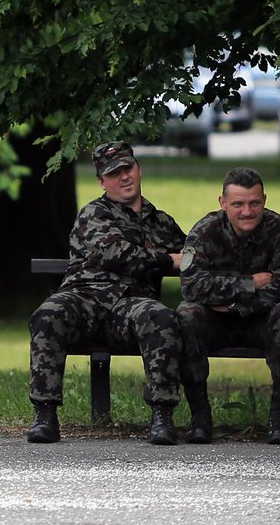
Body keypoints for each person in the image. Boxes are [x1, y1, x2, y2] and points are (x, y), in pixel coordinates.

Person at [28, 141, 186, 445]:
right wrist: (166, 260)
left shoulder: (161, 222)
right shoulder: (93, 214)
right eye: (114, 173)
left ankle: (162, 416)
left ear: (138, 169)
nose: (124, 177)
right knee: (49, 313)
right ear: (102, 181)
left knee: (162, 317)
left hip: (130, 306)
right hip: (84, 300)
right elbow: (115, 253)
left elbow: (193, 253)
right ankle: (45, 415)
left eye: (128, 168)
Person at [176, 167, 280, 445]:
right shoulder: (205, 232)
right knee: (187, 314)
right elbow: (192, 287)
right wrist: (250, 283)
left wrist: (235, 304)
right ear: (223, 203)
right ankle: (200, 417)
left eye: (254, 203)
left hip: (260, 321)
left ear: (264, 200)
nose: (247, 211)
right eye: (238, 204)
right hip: (216, 323)